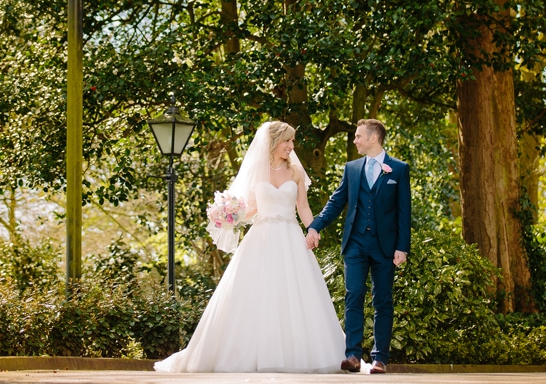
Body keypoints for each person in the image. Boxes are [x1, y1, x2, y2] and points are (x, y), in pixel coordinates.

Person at [154, 121, 345, 373]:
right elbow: (251, 208)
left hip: (290, 236)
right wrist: (229, 214)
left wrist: (312, 228)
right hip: (261, 238)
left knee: (295, 294)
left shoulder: (296, 172)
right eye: (287, 141)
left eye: (292, 142)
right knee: (254, 293)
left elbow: (303, 207)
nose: (291, 146)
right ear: (274, 141)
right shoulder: (257, 169)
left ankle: (299, 354)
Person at [306, 119, 411, 374]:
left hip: (385, 246)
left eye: (358, 136)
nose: (355, 140)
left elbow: (404, 211)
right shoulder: (352, 168)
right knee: (353, 295)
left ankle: (379, 359)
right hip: (355, 243)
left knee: (382, 300)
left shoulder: (398, 169)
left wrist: (402, 247)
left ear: (373, 138)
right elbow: (337, 201)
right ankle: (352, 355)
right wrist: (315, 226)